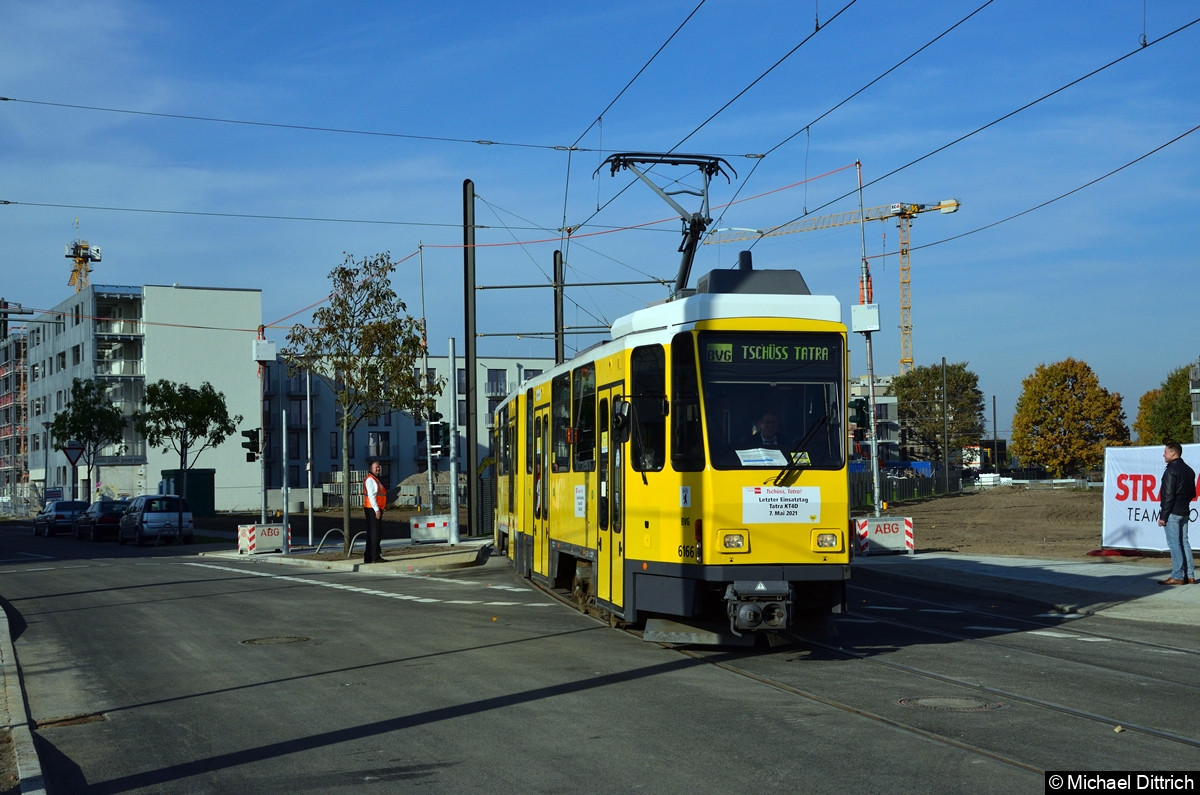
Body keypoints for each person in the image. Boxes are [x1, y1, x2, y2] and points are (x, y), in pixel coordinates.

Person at [1156, 442, 1196, 585]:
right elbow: (1193, 493)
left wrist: (1163, 516)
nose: (1164, 454)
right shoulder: (1189, 470)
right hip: (1184, 511)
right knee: (1184, 542)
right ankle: (1190, 575)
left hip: (1173, 511)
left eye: (1165, 451)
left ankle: (1178, 575)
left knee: (1174, 544)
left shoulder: (1171, 470)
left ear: (1173, 453)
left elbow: (1167, 495)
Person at [362, 459, 387, 563]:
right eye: (376, 467)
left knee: (372, 533)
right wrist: (377, 510)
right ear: (371, 469)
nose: (378, 468)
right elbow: (372, 497)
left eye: (378, 467)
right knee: (375, 533)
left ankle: (368, 556)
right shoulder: (371, 480)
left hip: (373, 508)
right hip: (372, 509)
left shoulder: (375, 479)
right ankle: (375, 556)